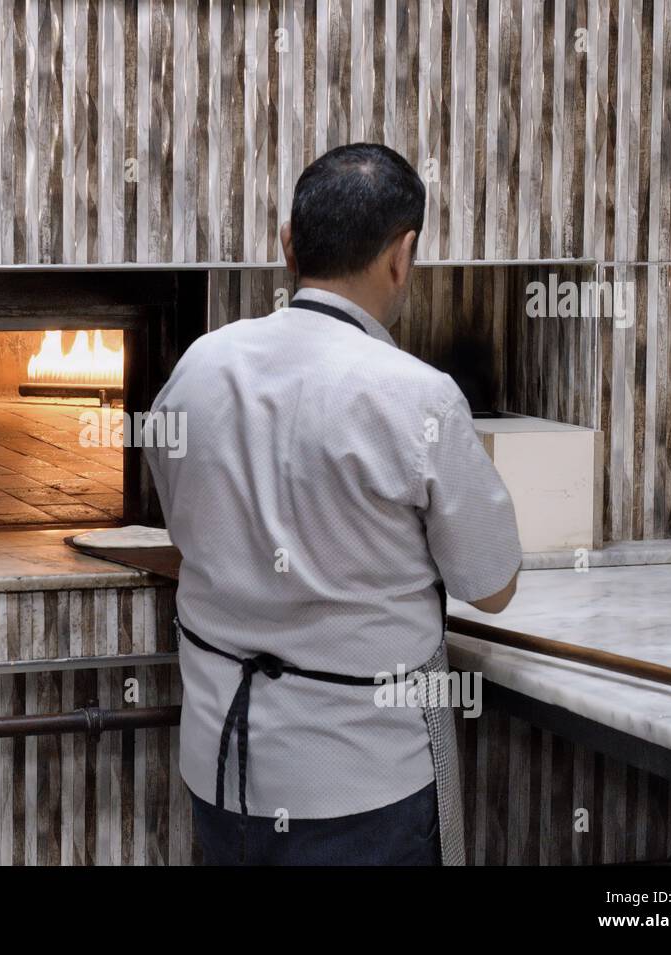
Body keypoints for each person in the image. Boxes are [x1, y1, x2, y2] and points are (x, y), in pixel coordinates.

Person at [144, 143, 522, 865]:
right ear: (402, 254)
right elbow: (494, 586)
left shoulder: (199, 364)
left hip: (222, 770)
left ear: (288, 243)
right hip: (362, 785)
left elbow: (182, 514)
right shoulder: (420, 396)